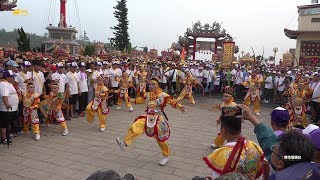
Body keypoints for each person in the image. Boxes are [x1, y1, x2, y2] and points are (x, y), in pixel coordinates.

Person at [116, 77, 185, 166]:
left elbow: (172, 102)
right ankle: (125, 142)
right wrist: (130, 99)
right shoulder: (147, 94)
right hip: (148, 116)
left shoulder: (163, 95)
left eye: (153, 84)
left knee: (160, 139)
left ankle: (166, 156)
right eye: (150, 84)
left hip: (158, 118)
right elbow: (140, 100)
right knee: (136, 125)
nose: (151, 86)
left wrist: (180, 107)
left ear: (158, 85)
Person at [203, 115, 264, 179]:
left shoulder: (221, 154)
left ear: (223, 130)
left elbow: (217, 177)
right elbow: (263, 167)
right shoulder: (255, 146)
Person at [0, 70, 19, 144]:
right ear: (7, 77)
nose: (13, 78)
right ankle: (4, 138)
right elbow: (4, 95)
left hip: (12, 108)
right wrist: (7, 104)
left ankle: (8, 133)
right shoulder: (4, 84)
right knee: (4, 123)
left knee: (8, 122)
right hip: (5, 109)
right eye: (12, 77)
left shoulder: (8, 83)